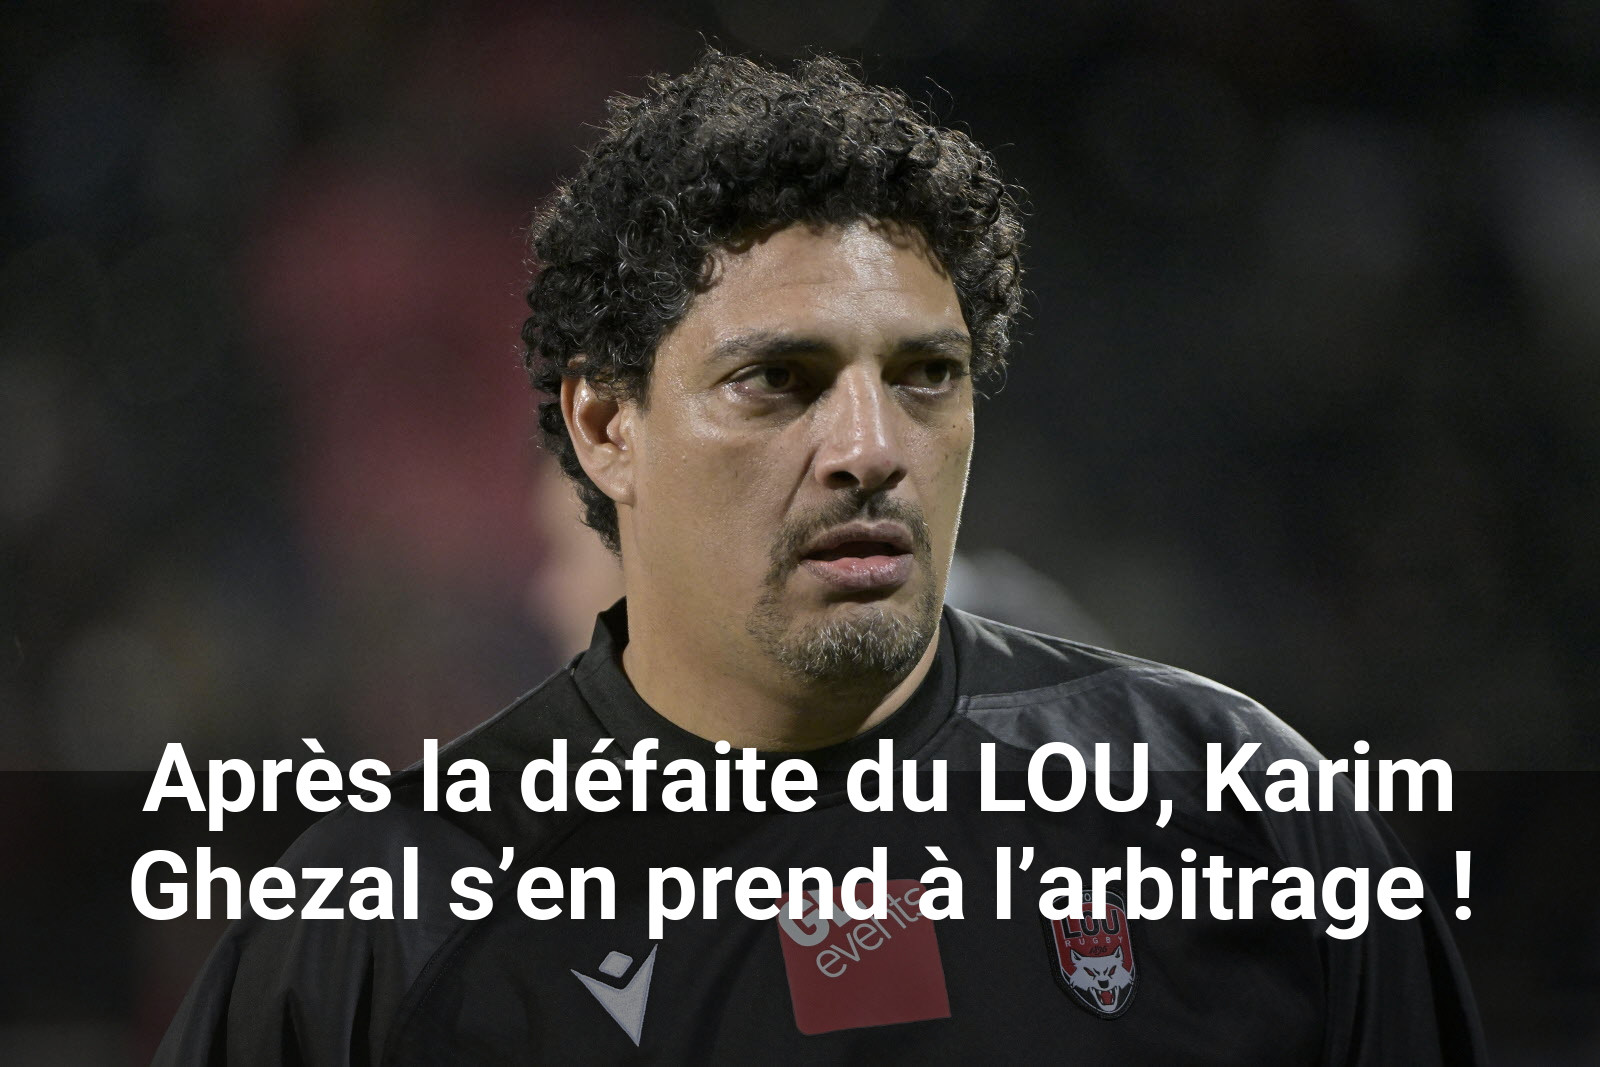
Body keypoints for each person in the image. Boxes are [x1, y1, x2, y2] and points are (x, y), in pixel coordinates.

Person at [156, 51, 1484, 1064]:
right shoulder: (383, 925)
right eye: (778, 380)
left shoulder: (1238, 815)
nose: (870, 448)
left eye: (926, 376)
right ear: (607, 427)